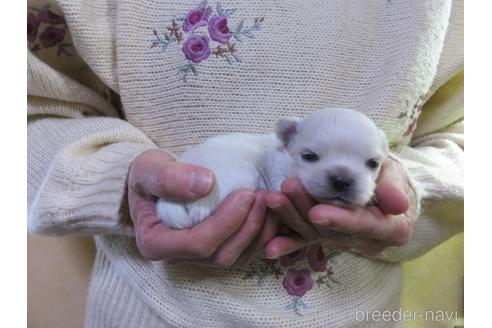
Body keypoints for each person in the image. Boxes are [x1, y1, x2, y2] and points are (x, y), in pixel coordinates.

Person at [27, 0, 463, 327]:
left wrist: (410, 195)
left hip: (357, 312)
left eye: (368, 163)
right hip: (149, 306)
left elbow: (467, 140)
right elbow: (28, 105)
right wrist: (117, 181)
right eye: (311, 156)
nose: (340, 175)